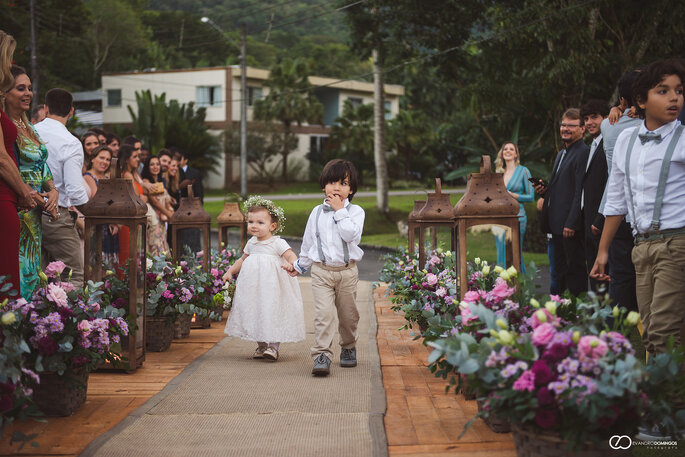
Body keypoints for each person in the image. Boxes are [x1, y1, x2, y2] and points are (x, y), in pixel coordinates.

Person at [591, 59, 685, 356]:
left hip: (676, 244)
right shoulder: (626, 140)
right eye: (663, 91)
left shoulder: (682, 140)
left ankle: (666, 401)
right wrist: (603, 251)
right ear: (641, 101)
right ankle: (664, 397)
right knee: (648, 331)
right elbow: (616, 198)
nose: (674, 98)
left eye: (679, 91)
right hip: (640, 247)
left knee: (663, 334)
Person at [287, 159, 365, 376]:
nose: (337, 187)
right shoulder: (317, 213)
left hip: (347, 272)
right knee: (323, 315)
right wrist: (301, 266)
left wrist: (340, 211)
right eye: (332, 182)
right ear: (324, 186)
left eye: (343, 183)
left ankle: (348, 347)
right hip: (321, 272)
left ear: (351, 190)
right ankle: (322, 354)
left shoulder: (356, 212)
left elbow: (350, 235)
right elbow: (309, 242)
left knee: (349, 316)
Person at [222, 196, 304, 361]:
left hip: (273, 287)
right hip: (253, 286)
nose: (254, 226)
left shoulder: (277, 243)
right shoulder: (251, 243)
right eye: (251, 221)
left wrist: (293, 264)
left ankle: (273, 347)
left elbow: (290, 255)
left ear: (272, 226)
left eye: (260, 222)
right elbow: (242, 259)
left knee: (272, 311)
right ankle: (261, 346)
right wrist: (230, 271)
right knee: (255, 310)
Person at [4, 66, 59, 299]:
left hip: (37, 211)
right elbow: (8, 166)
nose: (28, 93)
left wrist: (53, 190)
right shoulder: (6, 128)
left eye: (30, 88)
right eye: (20, 88)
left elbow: (42, 164)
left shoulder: (29, 127)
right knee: (19, 268)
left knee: (33, 268)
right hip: (20, 204)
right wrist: (33, 196)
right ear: (5, 92)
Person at [595, 70, 643, 312]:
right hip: (638, 209)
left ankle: (619, 327)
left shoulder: (608, 126)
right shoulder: (650, 125)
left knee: (621, 273)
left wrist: (618, 109)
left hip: (614, 207)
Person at [35, 88, 89, 287]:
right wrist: (93, 215)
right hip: (56, 214)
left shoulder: (31, 132)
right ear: (71, 111)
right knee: (73, 276)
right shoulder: (71, 142)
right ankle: (66, 318)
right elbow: (75, 191)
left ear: (46, 108)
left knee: (38, 276)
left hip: (27, 210)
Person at [0, 30, 38, 296]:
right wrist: (25, 192)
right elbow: (1, 158)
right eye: (8, 57)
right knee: (7, 277)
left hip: (14, 196)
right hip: (5, 196)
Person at [536, 108, 589, 296]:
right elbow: (563, 187)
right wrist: (546, 189)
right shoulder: (562, 154)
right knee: (558, 275)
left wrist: (572, 222)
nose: (565, 129)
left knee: (573, 275)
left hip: (569, 228)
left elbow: (579, 191)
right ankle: (559, 316)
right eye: (563, 124)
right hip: (555, 226)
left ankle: (578, 314)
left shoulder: (583, 152)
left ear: (582, 129)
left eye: (571, 125)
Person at [579, 99, 609, 292]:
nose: (589, 122)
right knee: (594, 280)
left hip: (602, 223)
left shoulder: (608, 145)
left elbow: (611, 184)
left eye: (594, 117)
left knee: (605, 280)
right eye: (586, 118)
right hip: (588, 222)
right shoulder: (592, 145)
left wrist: (600, 219)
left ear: (606, 118)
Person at [492, 142, 534, 272]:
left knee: (516, 255)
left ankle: (521, 288)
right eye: (505, 149)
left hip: (518, 217)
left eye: (511, 149)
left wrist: (514, 195)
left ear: (516, 154)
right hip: (498, 218)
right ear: (502, 153)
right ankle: (501, 288)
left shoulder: (524, 171)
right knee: (501, 255)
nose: (508, 151)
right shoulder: (498, 173)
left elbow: (531, 196)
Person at [82, 145, 119, 266]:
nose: (105, 162)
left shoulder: (108, 177)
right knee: (96, 264)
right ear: (92, 159)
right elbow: (96, 197)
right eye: (101, 158)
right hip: (96, 226)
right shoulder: (88, 177)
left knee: (109, 267)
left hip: (110, 226)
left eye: (108, 159)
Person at [141, 155, 171, 256]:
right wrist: (170, 214)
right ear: (147, 167)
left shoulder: (160, 182)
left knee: (163, 249)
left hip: (161, 221)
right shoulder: (146, 182)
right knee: (154, 250)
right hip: (153, 221)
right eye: (152, 164)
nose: (155, 167)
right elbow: (154, 202)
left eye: (157, 164)